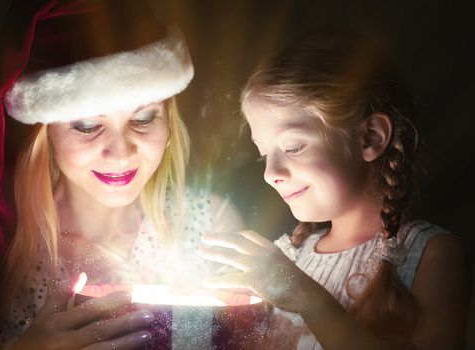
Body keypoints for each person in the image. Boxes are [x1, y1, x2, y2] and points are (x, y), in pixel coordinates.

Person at [0, 0, 244, 349]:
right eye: (87, 126)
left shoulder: (211, 227)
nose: (122, 152)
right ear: (45, 132)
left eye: (144, 118)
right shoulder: (3, 243)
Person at [200, 32, 471, 349]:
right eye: (264, 155)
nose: (270, 173)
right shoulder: (288, 258)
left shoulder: (429, 255)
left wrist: (305, 297)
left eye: (294, 147)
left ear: (369, 137)